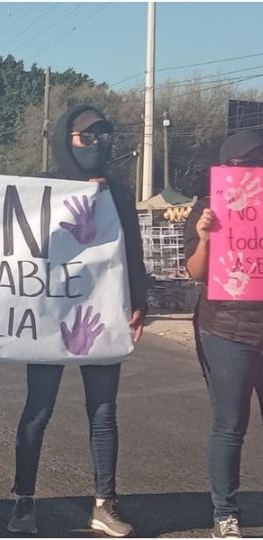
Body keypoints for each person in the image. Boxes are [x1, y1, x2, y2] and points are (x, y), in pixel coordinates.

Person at [6, 106, 148, 538]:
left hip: (103, 311)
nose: (97, 143)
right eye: (87, 135)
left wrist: (139, 301)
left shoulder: (119, 193)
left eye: (104, 135)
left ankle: (105, 503)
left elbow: (133, 252)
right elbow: (23, 244)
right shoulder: (43, 187)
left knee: (103, 412)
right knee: (39, 409)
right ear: (66, 138)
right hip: (52, 313)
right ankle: (23, 501)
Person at [182, 130, 263, 539]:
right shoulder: (208, 207)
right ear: (226, 168)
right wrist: (204, 238)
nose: (250, 171)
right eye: (242, 164)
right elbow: (195, 273)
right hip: (226, 330)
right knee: (230, 425)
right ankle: (224, 513)